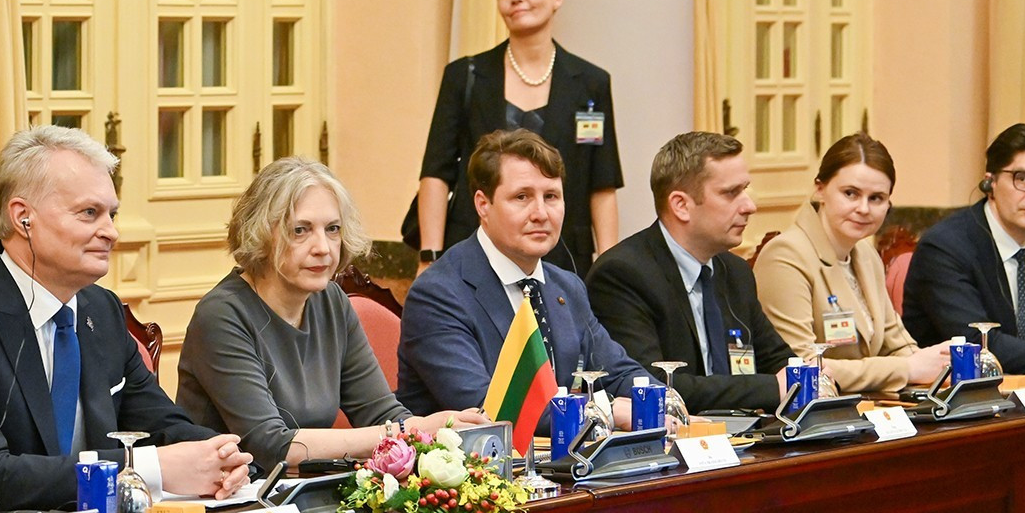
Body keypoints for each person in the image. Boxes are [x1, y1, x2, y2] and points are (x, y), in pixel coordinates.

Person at [0, 127, 252, 513]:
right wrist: (151, 468)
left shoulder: (100, 310)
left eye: (112, 214)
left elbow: (161, 424)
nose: (112, 231)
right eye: (90, 213)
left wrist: (220, 455)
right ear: (24, 219)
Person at [177, 158, 486, 469]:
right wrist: (409, 431)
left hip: (304, 493)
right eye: (300, 230)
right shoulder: (221, 315)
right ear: (261, 235)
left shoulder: (331, 300)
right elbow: (270, 445)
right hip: (228, 500)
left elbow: (380, 413)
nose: (323, 247)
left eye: (333, 229)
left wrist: (441, 435)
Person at [397, 130, 645, 422]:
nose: (541, 213)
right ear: (483, 205)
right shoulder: (438, 293)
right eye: (522, 197)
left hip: (561, 461)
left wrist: (659, 400)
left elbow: (620, 373)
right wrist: (606, 412)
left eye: (551, 196)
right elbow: (490, 409)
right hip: (479, 463)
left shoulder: (567, 286)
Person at [410, 0, 622, 275]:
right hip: (474, 250)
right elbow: (435, 174)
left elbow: (601, 182)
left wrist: (607, 266)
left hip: (562, 255)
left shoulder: (590, 83)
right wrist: (430, 255)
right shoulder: (465, 76)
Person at [585, 132, 792, 414]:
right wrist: (770, 389)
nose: (749, 206)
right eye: (731, 193)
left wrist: (808, 374)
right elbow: (652, 387)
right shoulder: (622, 275)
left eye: (745, 190)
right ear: (681, 205)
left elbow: (779, 360)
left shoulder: (735, 271)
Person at [751, 135, 950, 392]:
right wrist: (908, 369)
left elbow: (898, 344)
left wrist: (939, 365)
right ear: (820, 189)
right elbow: (803, 367)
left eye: (876, 198)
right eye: (850, 194)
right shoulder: (785, 255)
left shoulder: (866, 255)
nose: (863, 208)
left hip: (869, 407)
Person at [901, 124, 1025, 376]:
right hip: (949, 400)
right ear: (989, 182)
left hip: (1021, 395)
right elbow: (984, 348)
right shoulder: (945, 247)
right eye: (1023, 179)